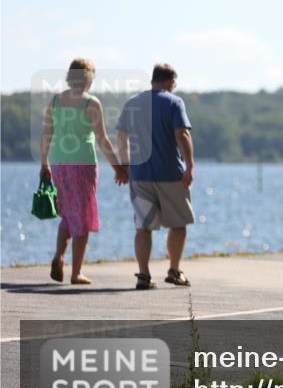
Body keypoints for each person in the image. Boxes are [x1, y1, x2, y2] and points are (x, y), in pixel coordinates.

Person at [39, 58, 129, 284]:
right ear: (88, 78)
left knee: (69, 213)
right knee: (84, 215)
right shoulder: (91, 102)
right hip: (83, 164)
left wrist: (44, 163)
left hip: (59, 163)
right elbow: (102, 139)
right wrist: (117, 167)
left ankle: (59, 256)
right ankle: (76, 272)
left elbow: (46, 134)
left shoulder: (56, 100)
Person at [116, 63, 195, 290]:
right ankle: (174, 270)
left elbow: (121, 137)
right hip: (171, 174)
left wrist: (125, 166)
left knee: (143, 227)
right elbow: (182, 133)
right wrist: (190, 165)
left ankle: (143, 275)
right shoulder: (174, 102)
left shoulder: (131, 103)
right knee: (178, 224)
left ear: (153, 80)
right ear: (170, 82)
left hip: (140, 175)